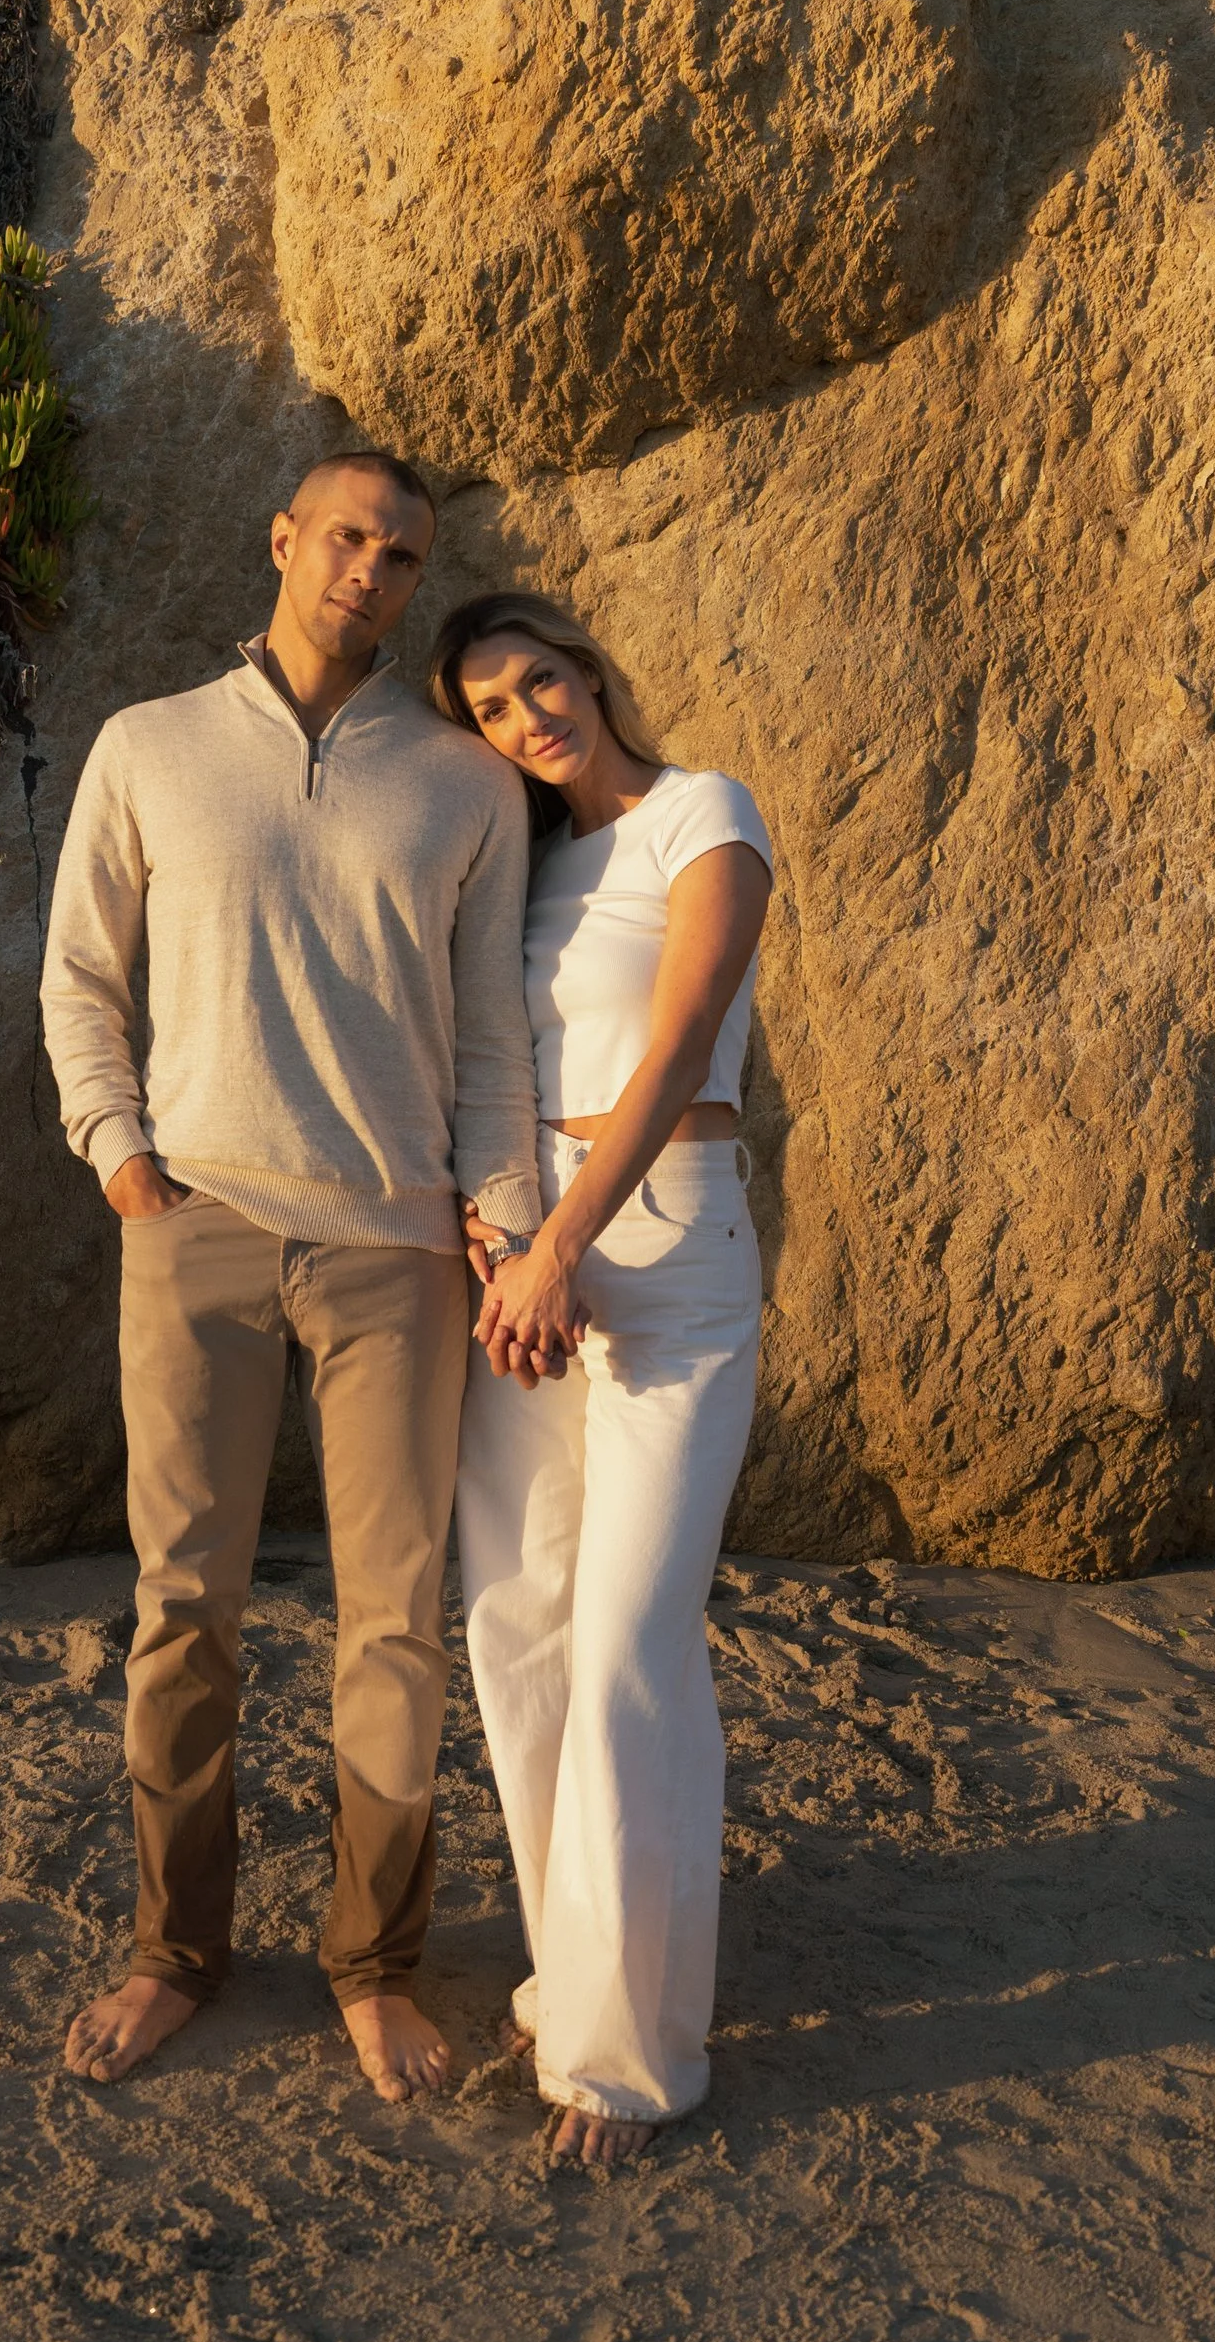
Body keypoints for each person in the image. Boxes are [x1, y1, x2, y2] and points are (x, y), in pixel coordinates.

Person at [40, 455, 552, 2099]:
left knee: (394, 1620)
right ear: (282, 539)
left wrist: (509, 1223)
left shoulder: (467, 785)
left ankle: (373, 1963)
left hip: (399, 1252)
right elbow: (80, 976)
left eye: (400, 555)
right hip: (194, 1227)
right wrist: (120, 1153)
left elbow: (493, 1039)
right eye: (346, 537)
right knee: (182, 1607)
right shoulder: (149, 746)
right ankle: (174, 1951)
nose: (369, 570)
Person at [431, 591, 773, 2169]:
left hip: (671, 1248)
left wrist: (562, 1246)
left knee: (633, 1635)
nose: (526, 718)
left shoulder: (706, 813)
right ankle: (573, 1974)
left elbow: (683, 1034)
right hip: (534, 1251)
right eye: (491, 709)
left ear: (588, 669)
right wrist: (506, 1237)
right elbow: (492, 1066)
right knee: (520, 1623)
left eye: (538, 680)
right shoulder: (528, 869)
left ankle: (630, 2057)